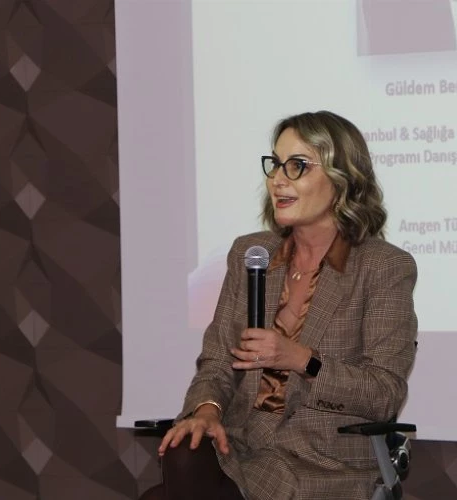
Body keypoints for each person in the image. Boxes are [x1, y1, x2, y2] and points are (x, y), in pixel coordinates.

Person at [140, 111, 419, 500]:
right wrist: (206, 410)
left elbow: (384, 393)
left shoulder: (382, 267)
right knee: (185, 447)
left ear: (342, 180)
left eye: (297, 166)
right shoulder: (252, 253)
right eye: (275, 164)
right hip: (241, 448)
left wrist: (302, 359)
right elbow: (218, 361)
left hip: (318, 461)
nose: (277, 179)